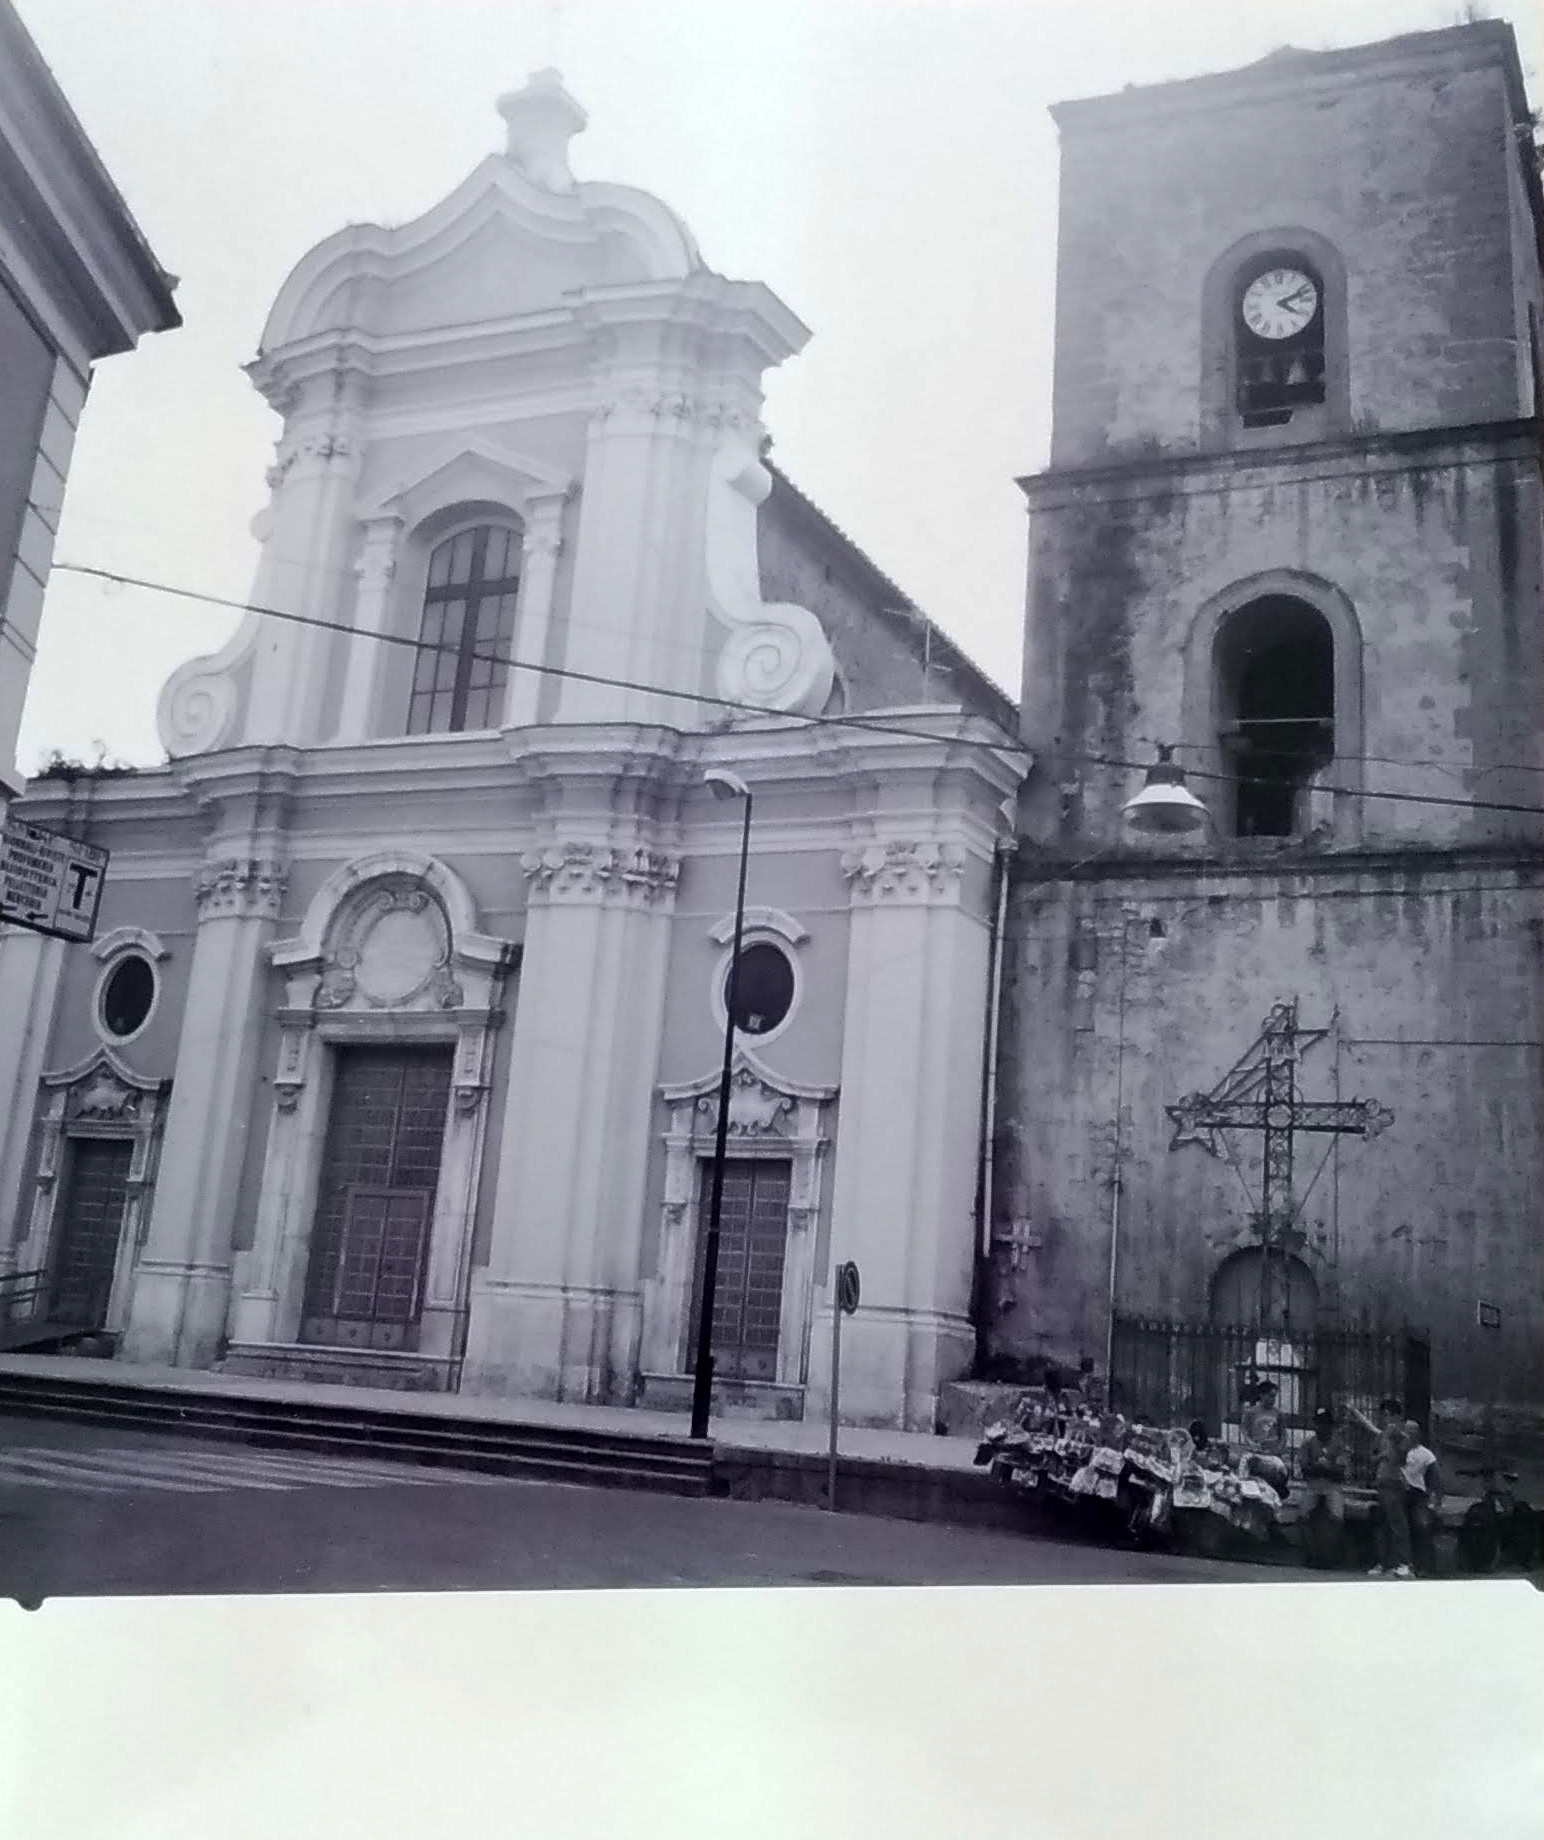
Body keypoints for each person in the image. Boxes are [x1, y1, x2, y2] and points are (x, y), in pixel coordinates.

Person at [1347, 1396, 1414, 1578]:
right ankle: (1385, 1562)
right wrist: (1355, 1412)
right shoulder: (1385, 1435)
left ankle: (1404, 1563)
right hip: (1382, 1482)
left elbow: (1402, 1453)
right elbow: (1370, 1429)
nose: (1384, 1419)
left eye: (1386, 1415)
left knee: (1396, 1524)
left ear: (1393, 1416)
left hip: (1394, 1482)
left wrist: (1390, 1450)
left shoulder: (1399, 1433)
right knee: (1383, 1524)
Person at [1298, 1406, 1349, 1566]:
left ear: (1330, 1426)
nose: (1321, 1427)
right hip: (1313, 1484)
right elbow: (1304, 1469)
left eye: (1325, 1423)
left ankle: (1330, 1558)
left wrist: (1326, 1467)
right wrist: (1320, 1467)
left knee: (1337, 1517)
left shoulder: (1339, 1444)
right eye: (1318, 1423)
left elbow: (1341, 1472)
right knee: (1303, 1515)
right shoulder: (1308, 1443)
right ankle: (1311, 1556)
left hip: (1332, 1485)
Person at [1402, 1421, 1443, 1577]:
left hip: (1417, 1493)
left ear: (1417, 1434)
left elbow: (1436, 1477)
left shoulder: (1426, 1454)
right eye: (1406, 1431)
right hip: (1399, 1492)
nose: (1408, 1435)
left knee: (1421, 1526)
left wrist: (1436, 1500)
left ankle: (1424, 1565)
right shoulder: (1398, 1451)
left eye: (1412, 1432)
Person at [1239, 1380, 1291, 1498]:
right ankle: (1243, 1489)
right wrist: (1251, 1443)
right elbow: (1245, 1431)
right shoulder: (1250, 1412)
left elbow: (1283, 1434)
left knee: (1282, 1470)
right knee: (1244, 1463)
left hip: (1272, 1453)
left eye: (1274, 1396)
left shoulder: (1278, 1413)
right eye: (1270, 1396)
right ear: (1262, 1395)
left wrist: (1279, 1447)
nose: (1273, 1399)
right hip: (1256, 1451)